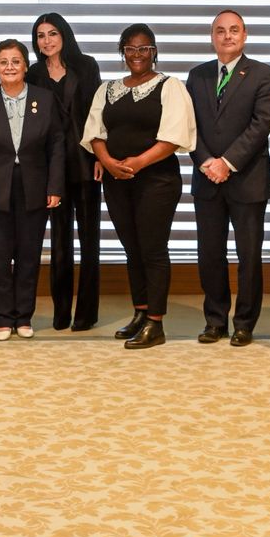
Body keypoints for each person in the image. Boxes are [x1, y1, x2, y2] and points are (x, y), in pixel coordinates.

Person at [82, 23, 196, 350]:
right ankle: (141, 312)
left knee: (152, 249)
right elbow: (95, 133)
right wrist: (108, 162)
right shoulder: (107, 89)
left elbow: (174, 137)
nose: (137, 54)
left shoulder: (170, 86)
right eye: (130, 49)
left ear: (154, 51)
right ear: (122, 52)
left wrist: (138, 162)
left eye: (143, 48)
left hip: (157, 180)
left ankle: (156, 323)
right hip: (117, 180)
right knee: (132, 248)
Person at [185, 9, 270, 347]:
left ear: (245, 35)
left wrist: (227, 162)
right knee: (210, 254)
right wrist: (206, 161)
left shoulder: (263, 74)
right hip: (206, 179)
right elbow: (189, 126)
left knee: (249, 257)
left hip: (247, 180)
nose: (227, 36)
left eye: (234, 30)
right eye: (220, 31)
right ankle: (215, 320)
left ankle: (245, 323)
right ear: (212, 37)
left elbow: (260, 125)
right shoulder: (197, 75)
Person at [0, 39, 65, 339]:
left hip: (33, 187)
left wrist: (55, 186)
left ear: (25, 66)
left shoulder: (44, 99)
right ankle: (2, 318)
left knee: (28, 254)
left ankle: (23, 316)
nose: (10, 67)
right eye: (4, 62)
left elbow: (56, 145)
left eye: (16, 61)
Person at [25, 12, 103, 331]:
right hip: (51, 168)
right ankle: (61, 311)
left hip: (85, 161)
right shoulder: (33, 73)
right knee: (59, 242)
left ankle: (86, 312)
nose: (47, 41)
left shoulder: (87, 66)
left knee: (89, 241)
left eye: (52, 33)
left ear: (64, 35)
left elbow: (98, 113)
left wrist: (101, 156)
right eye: (41, 35)